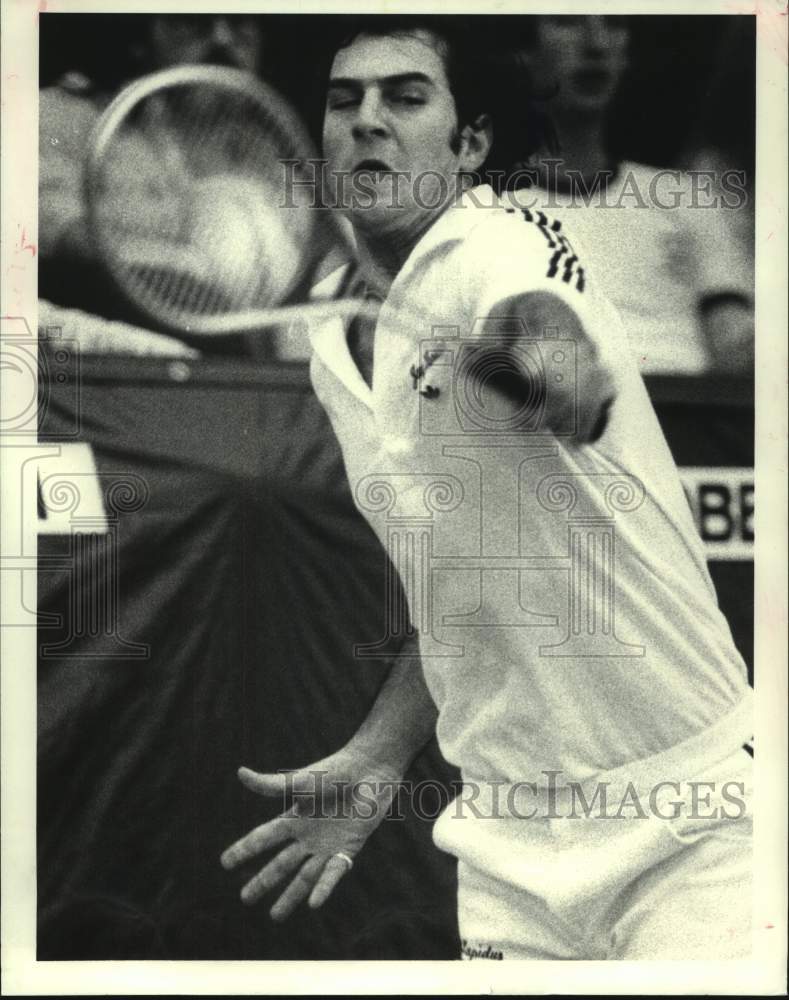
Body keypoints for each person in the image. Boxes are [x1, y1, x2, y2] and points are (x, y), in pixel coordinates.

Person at [221, 18, 753, 960]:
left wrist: (523, 361)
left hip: (691, 819)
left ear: (470, 146)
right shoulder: (332, 349)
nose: (369, 121)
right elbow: (453, 593)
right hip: (508, 848)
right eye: (345, 102)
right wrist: (382, 754)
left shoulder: (504, 243)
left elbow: (555, 354)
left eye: (406, 96)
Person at [505, 15, 754, 375]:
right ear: (522, 54)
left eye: (614, 22)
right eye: (567, 21)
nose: (597, 44)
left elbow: (735, 337)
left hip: (692, 417)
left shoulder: (685, 196)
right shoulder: (485, 210)